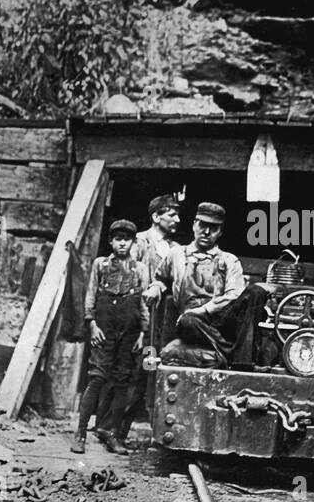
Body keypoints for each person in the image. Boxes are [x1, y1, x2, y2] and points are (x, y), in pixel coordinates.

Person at [96, 194, 183, 448]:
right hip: (134, 318)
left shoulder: (175, 248)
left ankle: (118, 431)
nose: (177, 219)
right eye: (172, 214)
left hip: (160, 322)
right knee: (127, 373)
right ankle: (106, 428)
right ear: (156, 217)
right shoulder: (139, 242)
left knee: (146, 374)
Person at [153, 201, 272, 367]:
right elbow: (160, 277)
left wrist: (204, 310)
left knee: (256, 291)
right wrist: (156, 287)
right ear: (194, 225)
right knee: (187, 321)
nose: (206, 232)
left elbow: (233, 295)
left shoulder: (229, 260)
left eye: (213, 228)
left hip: (221, 321)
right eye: (202, 225)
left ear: (220, 232)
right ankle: (232, 355)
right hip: (193, 324)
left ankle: (238, 358)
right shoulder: (176, 254)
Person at [72, 219, 150, 456]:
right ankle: (80, 433)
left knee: (121, 382)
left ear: (133, 242)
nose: (122, 244)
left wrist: (143, 334)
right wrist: (92, 325)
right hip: (103, 329)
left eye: (127, 239)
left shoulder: (140, 269)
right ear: (111, 241)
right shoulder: (101, 265)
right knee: (96, 378)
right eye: (118, 239)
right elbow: (90, 296)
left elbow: (144, 303)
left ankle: (114, 435)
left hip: (129, 332)